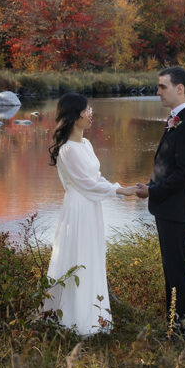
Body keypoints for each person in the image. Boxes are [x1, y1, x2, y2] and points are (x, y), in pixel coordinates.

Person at [41, 92, 137, 335]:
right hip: (78, 210)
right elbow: (87, 184)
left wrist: (117, 187)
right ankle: (76, 321)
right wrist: (120, 191)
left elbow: (96, 179)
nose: (91, 114)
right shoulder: (68, 150)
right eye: (87, 111)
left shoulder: (86, 144)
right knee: (79, 258)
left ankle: (95, 315)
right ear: (76, 115)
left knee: (92, 258)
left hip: (92, 208)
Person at [132, 66, 185, 336]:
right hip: (167, 207)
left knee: (178, 273)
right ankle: (173, 326)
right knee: (171, 272)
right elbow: (168, 167)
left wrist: (152, 191)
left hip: (176, 209)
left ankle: (181, 331)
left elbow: (184, 174)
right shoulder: (176, 120)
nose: (158, 91)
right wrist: (151, 186)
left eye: (163, 86)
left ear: (179, 88)